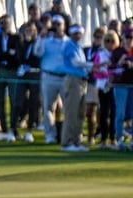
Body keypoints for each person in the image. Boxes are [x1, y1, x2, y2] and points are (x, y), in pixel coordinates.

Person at [35, 15, 67, 144]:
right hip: (49, 76)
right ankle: (50, 135)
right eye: (54, 24)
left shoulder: (68, 42)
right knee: (48, 107)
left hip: (65, 77)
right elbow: (37, 52)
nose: (57, 27)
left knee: (68, 107)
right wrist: (41, 37)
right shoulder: (46, 40)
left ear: (64, 26)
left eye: (59, 24)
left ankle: (68, 134)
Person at [60, 24, 90, 152]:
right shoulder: (69, 45)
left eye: (80, 33)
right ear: (71, 34)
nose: (78, 35)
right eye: (76, 33)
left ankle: (77, 141)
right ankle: (67, 142)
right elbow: (76, 63)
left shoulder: (78, 47)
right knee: (71, 112)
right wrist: (94, 65)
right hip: (73, 80)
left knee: (80, 112)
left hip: (82, 81)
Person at [0, 14, 19, 142]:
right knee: (0, 101)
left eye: (6, 23)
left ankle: (14, 128)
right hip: (0, 71)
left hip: (12, 71)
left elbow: (15, 56)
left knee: (14, 100)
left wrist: (2, 55)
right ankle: (4, 128)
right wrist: (7, 54)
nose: (4, 25)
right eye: (2, 23)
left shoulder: (16, 38)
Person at [13, 21, 41, 143]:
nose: (30, 33)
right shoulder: (21, 42)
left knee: (33, 103)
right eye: (27, 31)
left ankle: (29, 130)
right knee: (18, 102)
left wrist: (29, 64)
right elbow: (20, 58)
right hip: (22, 74)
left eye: (32, 31)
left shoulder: (38, 43)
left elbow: (37, 59)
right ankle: (12, 130)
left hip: (35, 74)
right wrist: (25, 41)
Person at [109, 30, 133, 151]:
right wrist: (120, 63)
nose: (130, 39)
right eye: (128, 37)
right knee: (120, 113)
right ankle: (119, 140)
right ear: (122, 38)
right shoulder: (117, 51)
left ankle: (132, 141)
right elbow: (110, 68)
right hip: (120, 86)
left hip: (132, 86)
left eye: (132, 37)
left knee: (132, 115)